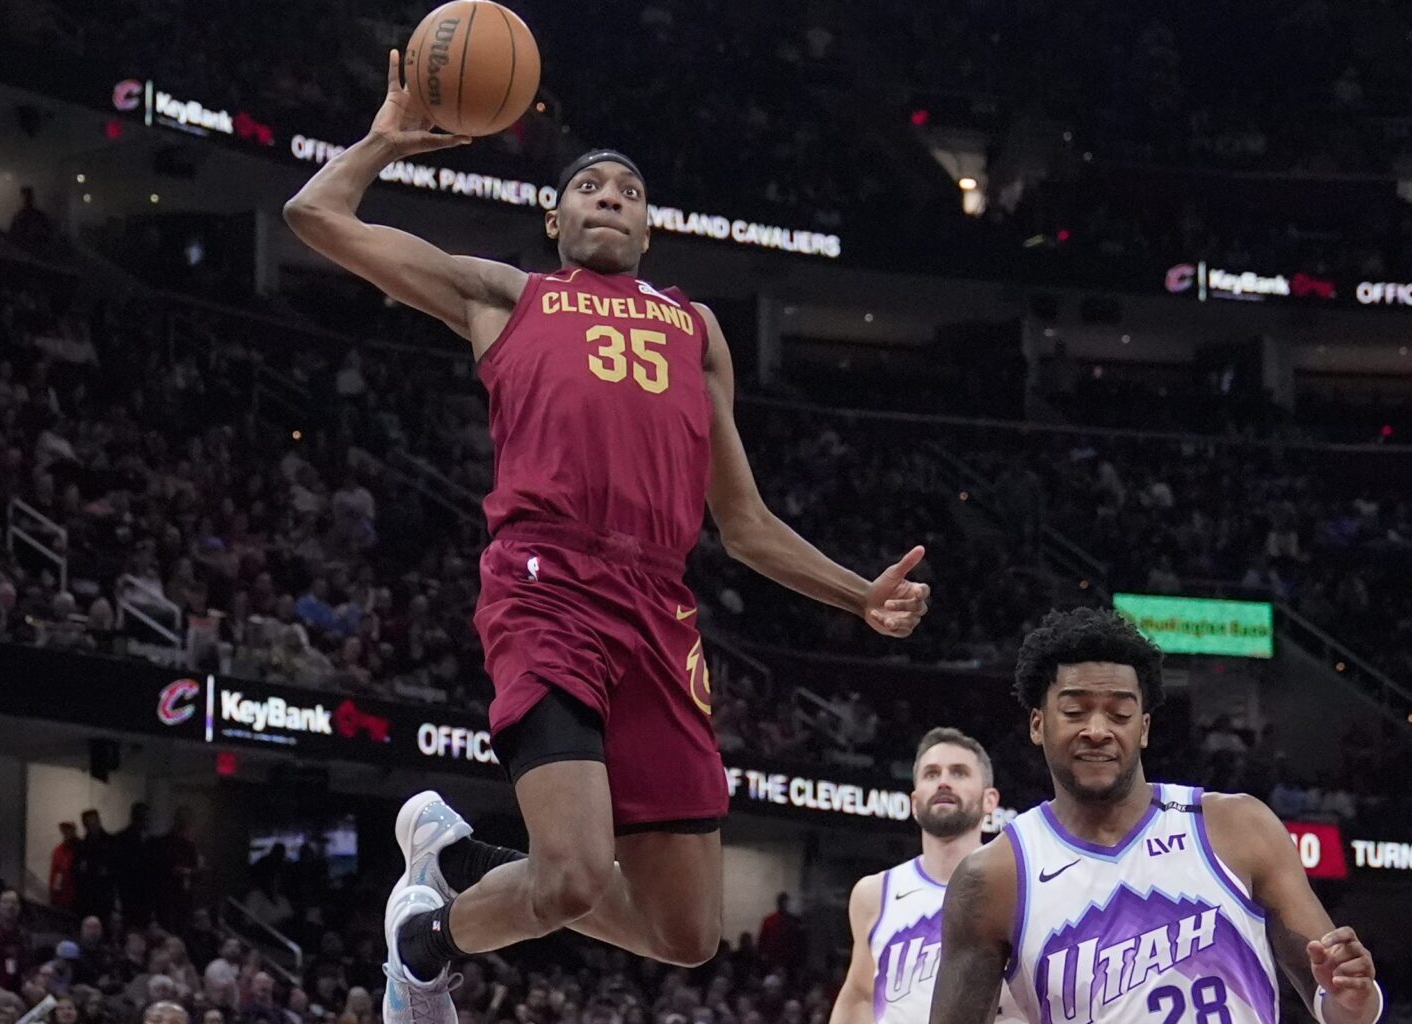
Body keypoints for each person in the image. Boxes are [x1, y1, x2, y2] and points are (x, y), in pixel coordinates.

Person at [284, 37, 934, 1024]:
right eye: (589, 188)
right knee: (579, 874)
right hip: (546, 586)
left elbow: (746, 524)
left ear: (648, 227)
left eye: (627, 192)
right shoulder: (507, 297)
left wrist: (860, 594)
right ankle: (424, 955)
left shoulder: (696, 330)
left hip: (661, 610)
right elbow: (314, 216)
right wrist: (381, 141)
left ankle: (447, 875)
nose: (609, 199)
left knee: (686, 932)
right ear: (554, 217)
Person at [927, 607, 1383, 1024]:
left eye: (1120, 714)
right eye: (1074, 711)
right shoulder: (994, 877)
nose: (1098, 731)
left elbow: (1339, 1006)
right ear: (1037, 724)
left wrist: (1355, 997)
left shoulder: (1239, 828)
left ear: (1143, 728)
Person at [831, 729, 1003, 1024]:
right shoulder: (874, 893)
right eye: (931, 774)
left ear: (990, 800)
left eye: (959, 773)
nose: (944, 781)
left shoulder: (1017, 889)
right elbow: (860, 994)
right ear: (914, 802)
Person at [47, 826, 77, 911]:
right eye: (65, 830)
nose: (67, 833)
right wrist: (52, 895)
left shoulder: (80, 850)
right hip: (59, 897)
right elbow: (54, 874)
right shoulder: (58, 851)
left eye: (70, 830)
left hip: (75, 898)